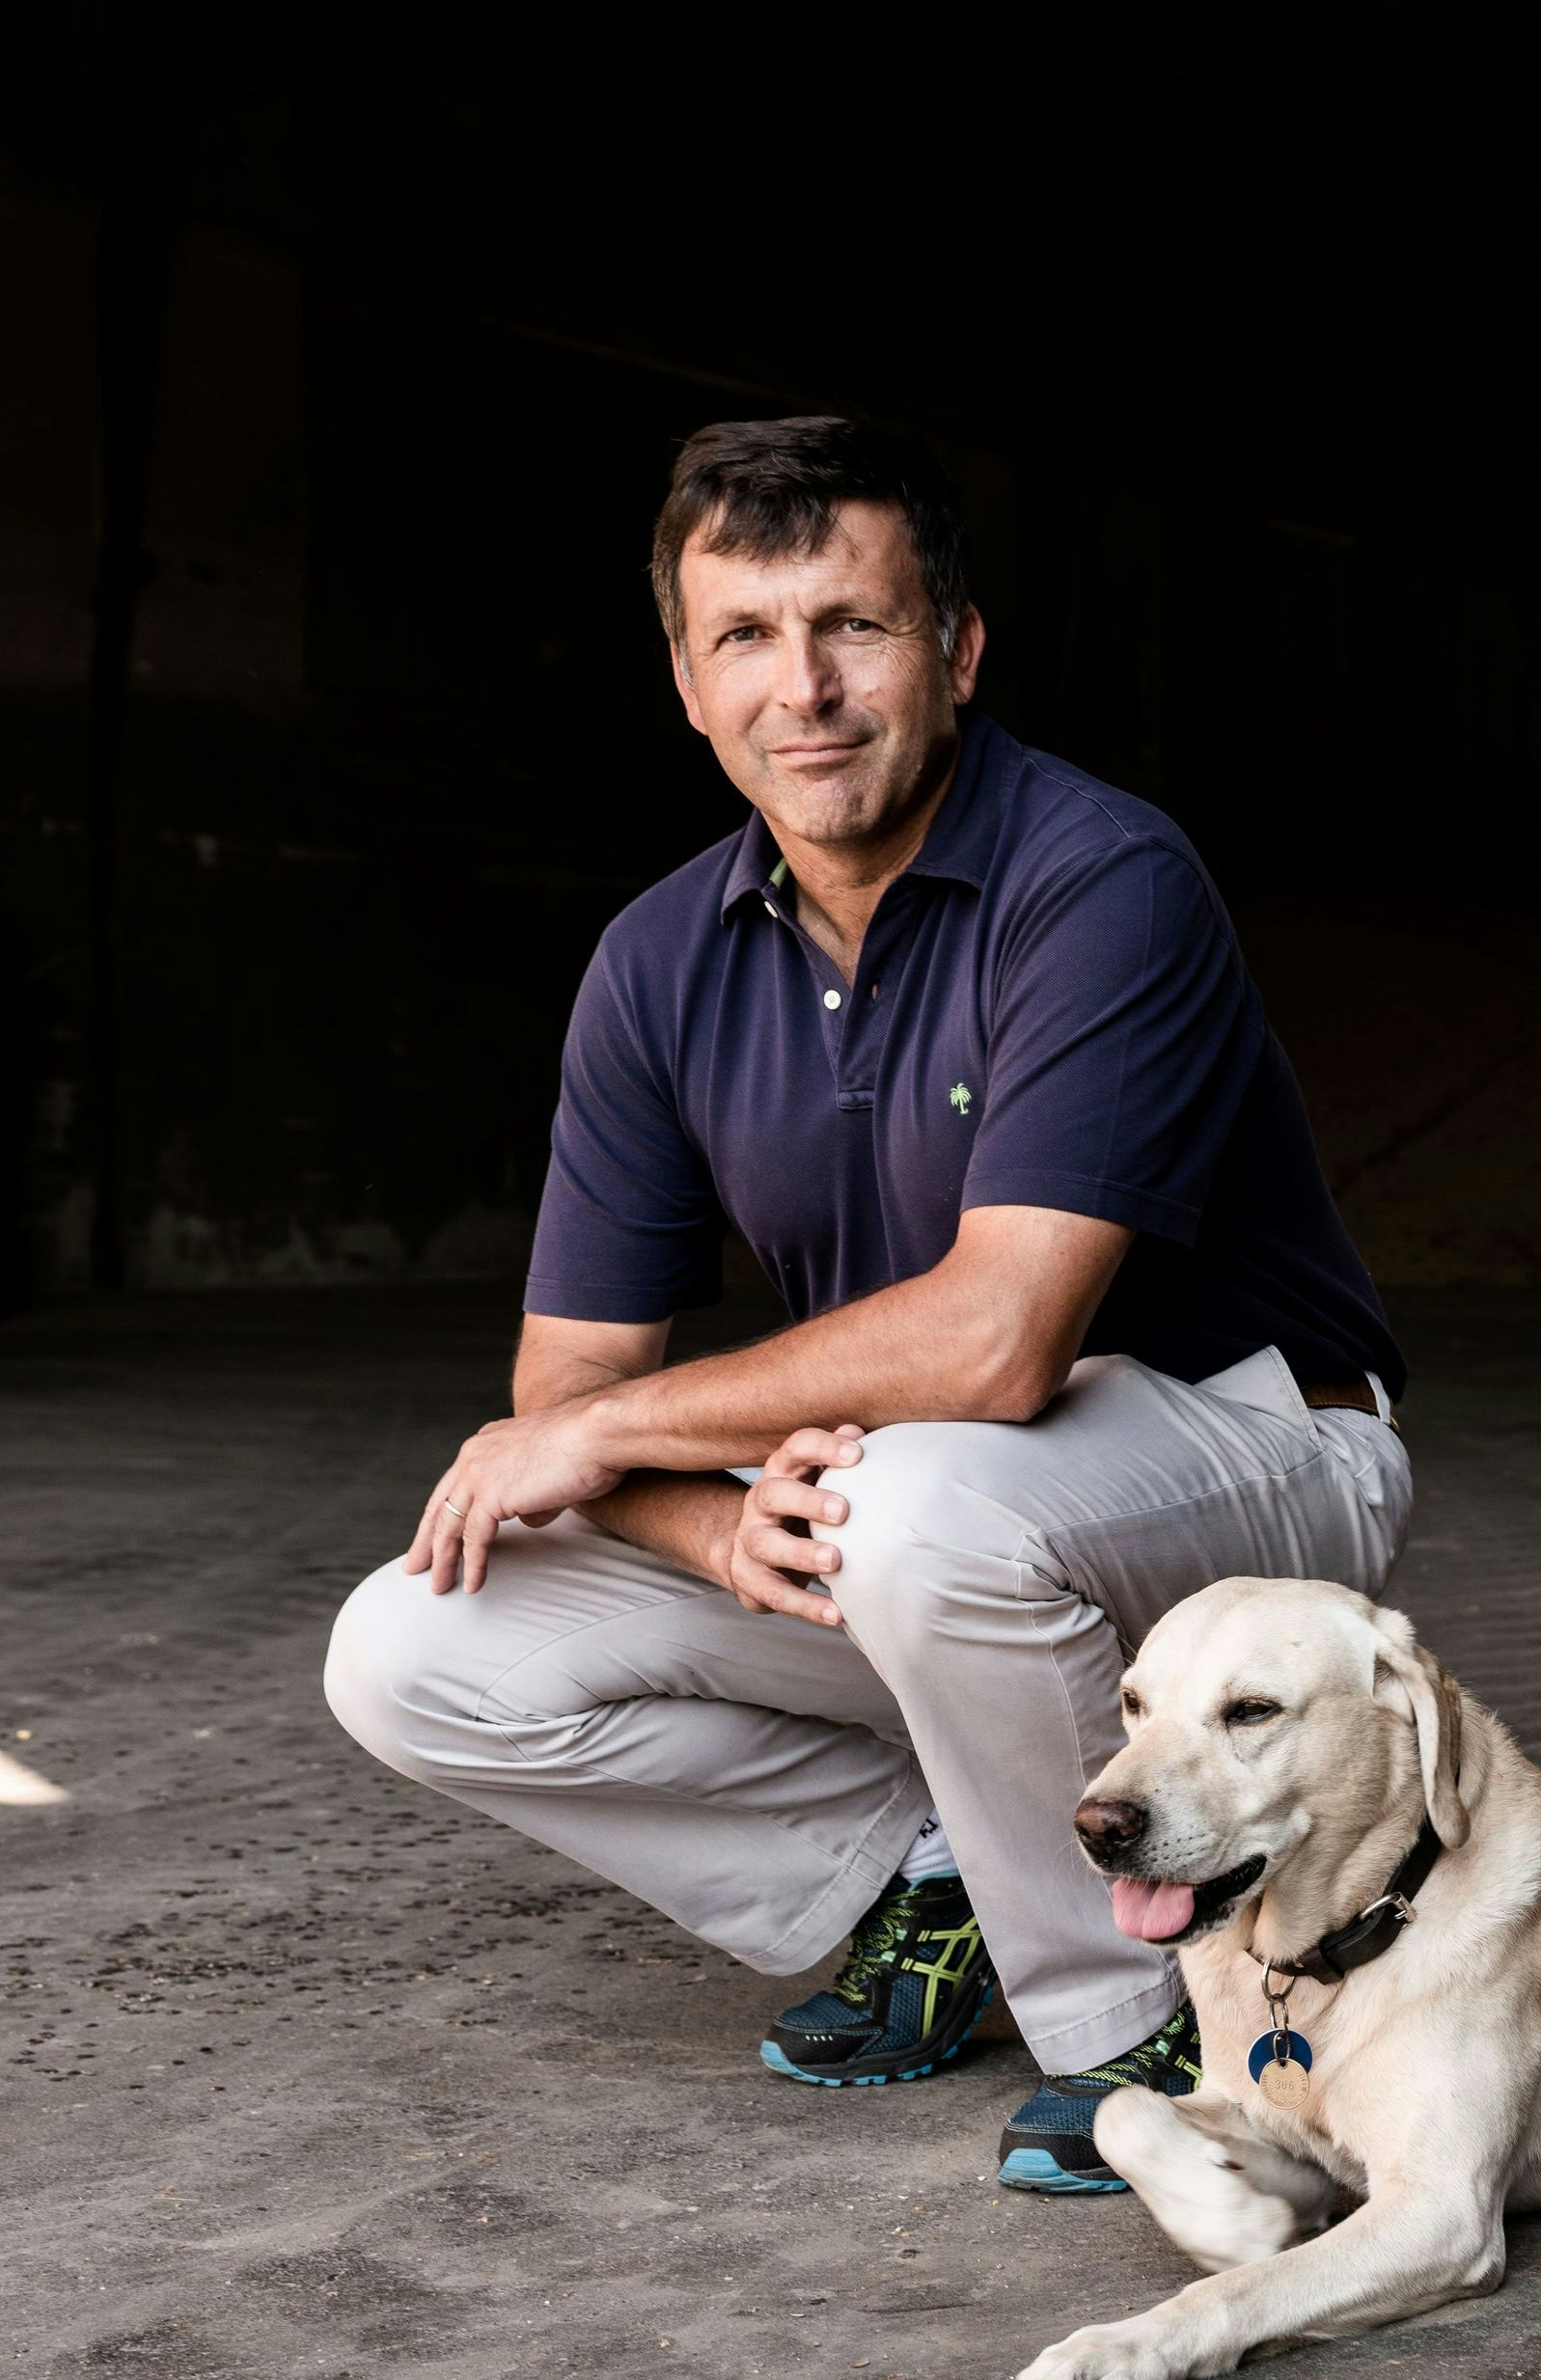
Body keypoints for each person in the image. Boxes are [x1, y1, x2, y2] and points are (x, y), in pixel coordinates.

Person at [323, 417, 1411, 2193]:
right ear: (686, 683)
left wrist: (608, 1438)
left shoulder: (1099, 879)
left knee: (914, 1505)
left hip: (1265, 1451)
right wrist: (705, 1521)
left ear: (958, 652)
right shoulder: (657, 962)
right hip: (944, 1517)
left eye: (856, 626)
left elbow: (999, 1341)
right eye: (745, 636)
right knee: (416, 1642)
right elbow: (568, 1382)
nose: (804, 689)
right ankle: (939, 1861)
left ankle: (1137, 2016)